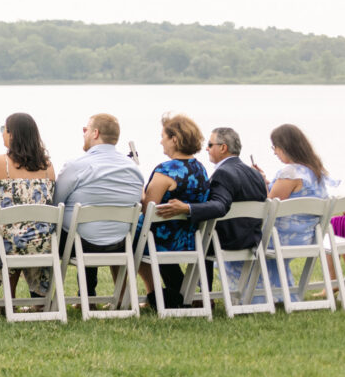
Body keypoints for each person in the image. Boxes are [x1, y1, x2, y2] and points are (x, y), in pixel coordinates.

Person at [155, 125, 267, 302]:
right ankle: (195, 294)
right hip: (251, 238)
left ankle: (198, 295)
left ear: (223, 148)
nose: (206, 149)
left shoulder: (223, 173)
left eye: (210, 144)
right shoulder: (256, 174)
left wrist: (187, 208)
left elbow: (219, 206)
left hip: (225, 240)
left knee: (169, 236)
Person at [53, 113, 145, 301]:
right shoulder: (134, 169)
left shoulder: (76, 166)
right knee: (86, 227)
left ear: (95, 133)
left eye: (85, 130)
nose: (83, 133)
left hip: (77, 245)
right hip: (120, 244)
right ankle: (90, 298)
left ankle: (45, 300)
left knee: (73, 228)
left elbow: (56, 204)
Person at [0, 112, 57, 304]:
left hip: (7, 243)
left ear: (12, 134)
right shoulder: (48, 167)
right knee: (22, 232)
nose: (2, 133)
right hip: (42, 243)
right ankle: (37, 300)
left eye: (4, 129)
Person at [138, 112, 210, 308]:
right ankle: (176, 294)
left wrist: (140, 190)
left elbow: (147, 209)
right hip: (191, 238)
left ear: (174, 139)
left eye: (163, 136)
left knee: (130, 236)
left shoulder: (166, 171)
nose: (160, 141)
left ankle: (153, 294)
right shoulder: (200, 169)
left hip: (163, 240)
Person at [263, 122, 333, 301]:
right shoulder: (314, 170)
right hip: (308, 237)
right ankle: (277, 294)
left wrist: (261, 184)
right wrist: (269, 183)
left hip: (282, 239)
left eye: (275, 147)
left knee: (241, 239)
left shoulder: (290, 172)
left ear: (285, 147)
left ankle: (256, 296)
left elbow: (270, 205)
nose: (274, 152)